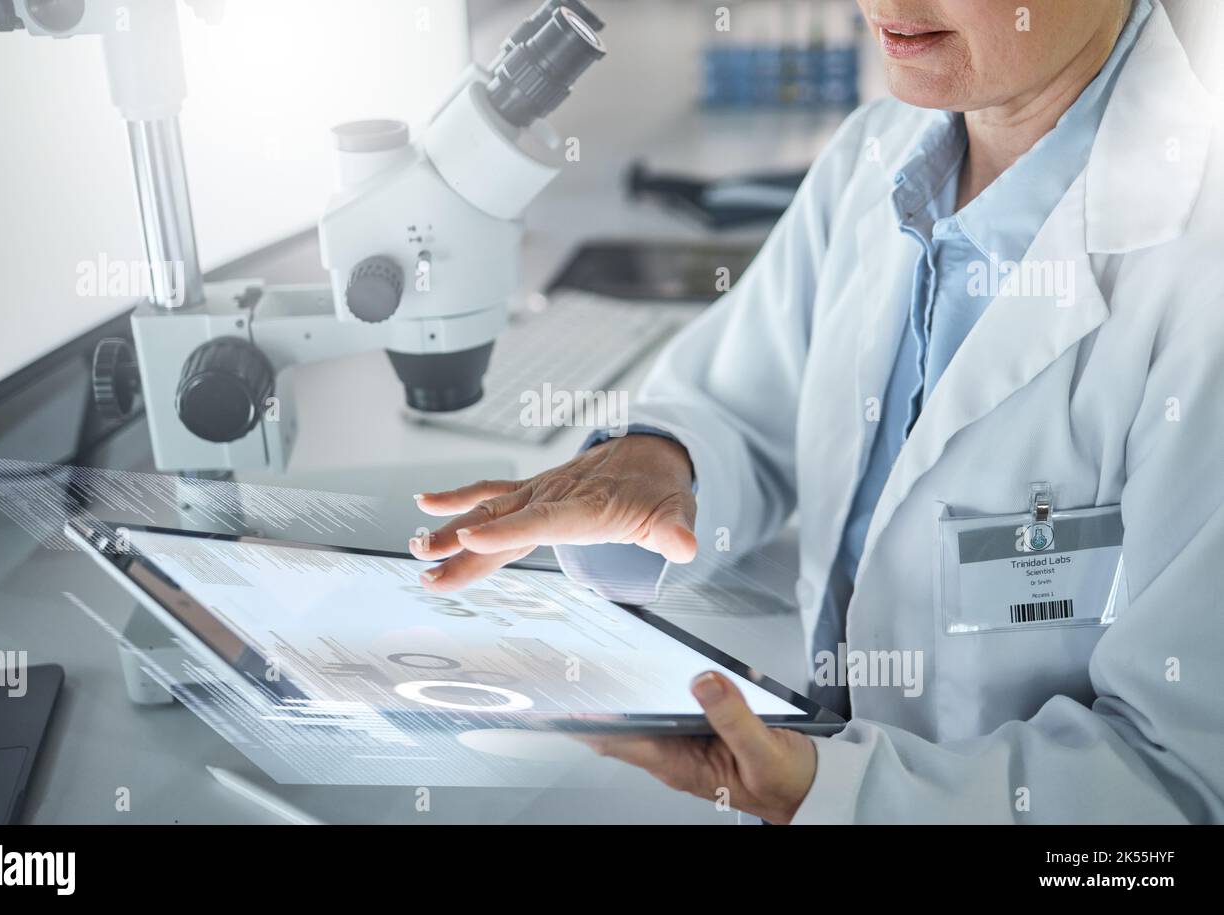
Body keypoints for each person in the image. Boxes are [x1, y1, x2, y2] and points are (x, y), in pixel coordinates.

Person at [411, 0, 1224, 823]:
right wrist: (664, 461)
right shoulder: (874, 159)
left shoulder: (1202, 268)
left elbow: (1180, 788)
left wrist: (845, 795)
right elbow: (739, 410)